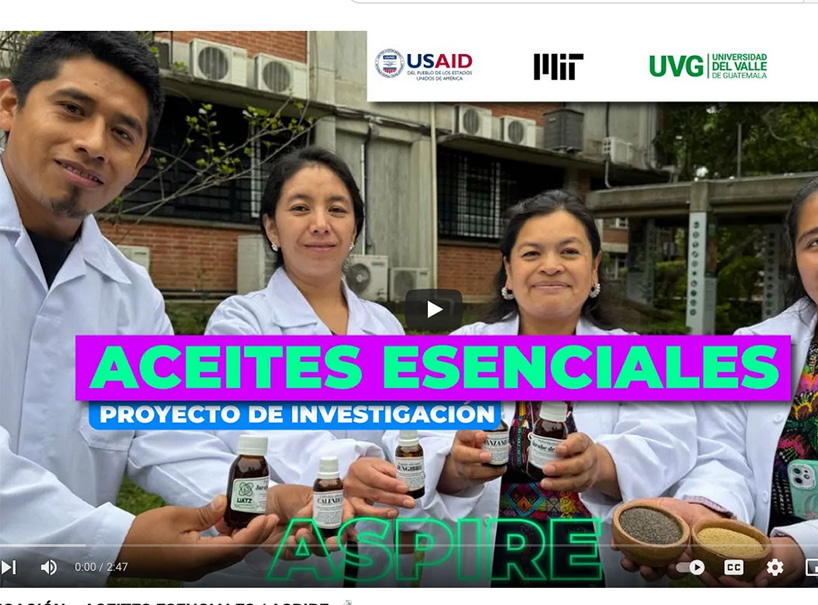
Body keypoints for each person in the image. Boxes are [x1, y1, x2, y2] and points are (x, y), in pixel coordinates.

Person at [0, 31, 315, 587]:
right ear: (9, 105)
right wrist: (111, 544)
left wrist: (255, 502)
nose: (94, 144)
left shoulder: (131, 293)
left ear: (140, 160)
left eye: (122, 133)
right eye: (72, 109)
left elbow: (162, 430)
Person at [623, 167, 818, 588]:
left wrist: (806, 549)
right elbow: (723, 457)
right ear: (797, 261)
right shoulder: (753, 348)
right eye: (817, 241)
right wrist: (711, 515)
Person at [384, 189, 697, 587]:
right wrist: (454, 468)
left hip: (597, 573)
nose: (551, 266)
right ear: (509, 272)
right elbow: (405, 437)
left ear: (595, 268)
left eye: (569, 252)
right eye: (532, 254)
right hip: (483, 571)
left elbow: (670, 444)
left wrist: (599, 465)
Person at [201, 146, 416, 586]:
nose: (320, 223)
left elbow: (405, 425)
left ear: (354, 228)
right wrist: (345, 462)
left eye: (337, 209)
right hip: (273, 550)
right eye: (300, 208)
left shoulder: (385, 327)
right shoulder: (241, 321)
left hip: (370, 546)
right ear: (271, 227)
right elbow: (250, 421)